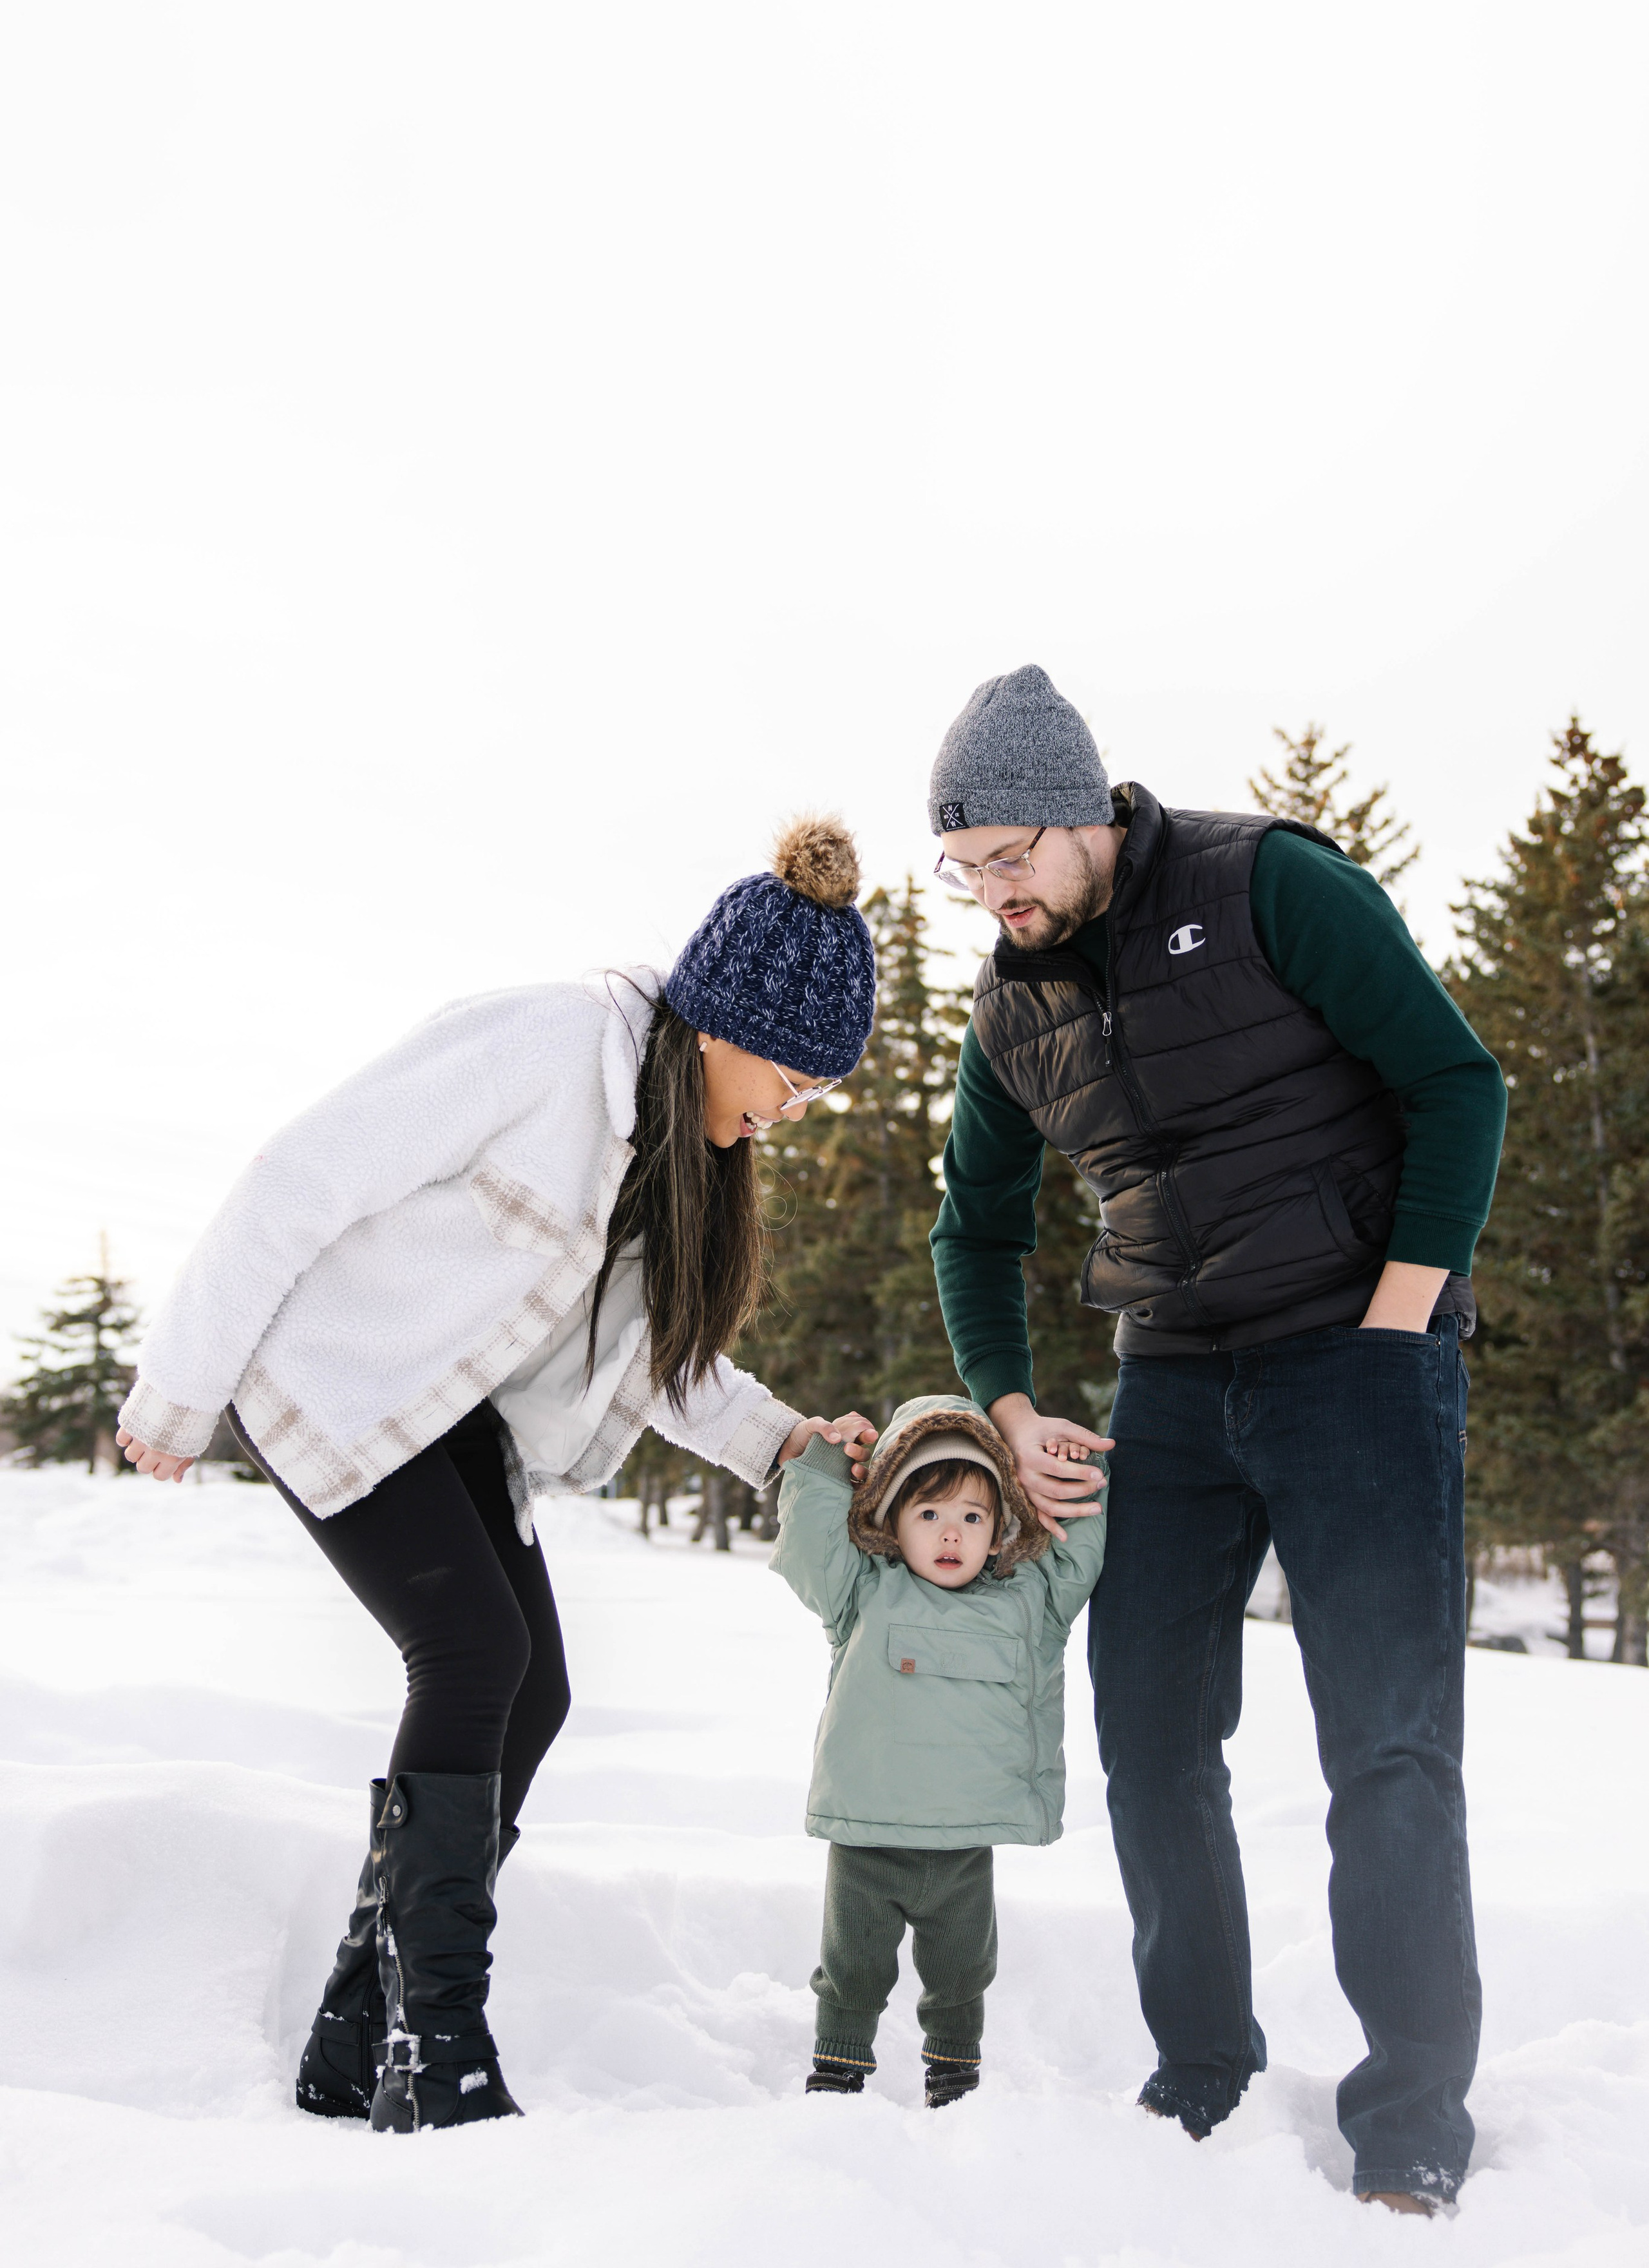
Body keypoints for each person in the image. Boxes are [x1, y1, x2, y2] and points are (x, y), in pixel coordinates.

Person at [117, 816, 880, 2135]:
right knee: (470, 1651)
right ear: (720, 1023)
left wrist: (779, 1438)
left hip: (448, 1413)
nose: (791, 1110)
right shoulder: (539, 1047)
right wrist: (178, 1389)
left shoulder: (680, 1158)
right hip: (337, 1380)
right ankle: (440, 2039)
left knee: (537, 1687)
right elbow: (296, 1179)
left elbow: (659, 1359)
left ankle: (360, 2032)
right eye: (793, 1078)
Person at [924, 666, 1506, 2215]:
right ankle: (1198, 2074)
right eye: (963, 868)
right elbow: (970, 1231)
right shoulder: (1009, 1004)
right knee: (1148, 1735)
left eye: (1006, 859)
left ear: (1078, 813)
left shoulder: (1265, 886)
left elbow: (1457, 1086)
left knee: (1382, 1746)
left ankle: (1409, 2121)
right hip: (1169, 1380)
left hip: (1356, 1358)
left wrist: (1395, 1322)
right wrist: (1012, 1405)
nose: (991, 895)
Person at [772, 1392, 1108, 2105]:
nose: (950, 1533)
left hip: (964, 1840)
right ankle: (838, 2063)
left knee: (962, 1968)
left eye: (972, 1516)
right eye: (929, 1513)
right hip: (870, 1834)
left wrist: (1066, 1474)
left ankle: (953, 2068)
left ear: (1001, 1527)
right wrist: (827, 1465)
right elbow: (809, 1546)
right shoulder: (863, 1592)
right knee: (852, 1963)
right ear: (892, 1516)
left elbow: (1075, 1558)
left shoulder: (1025, 1603)